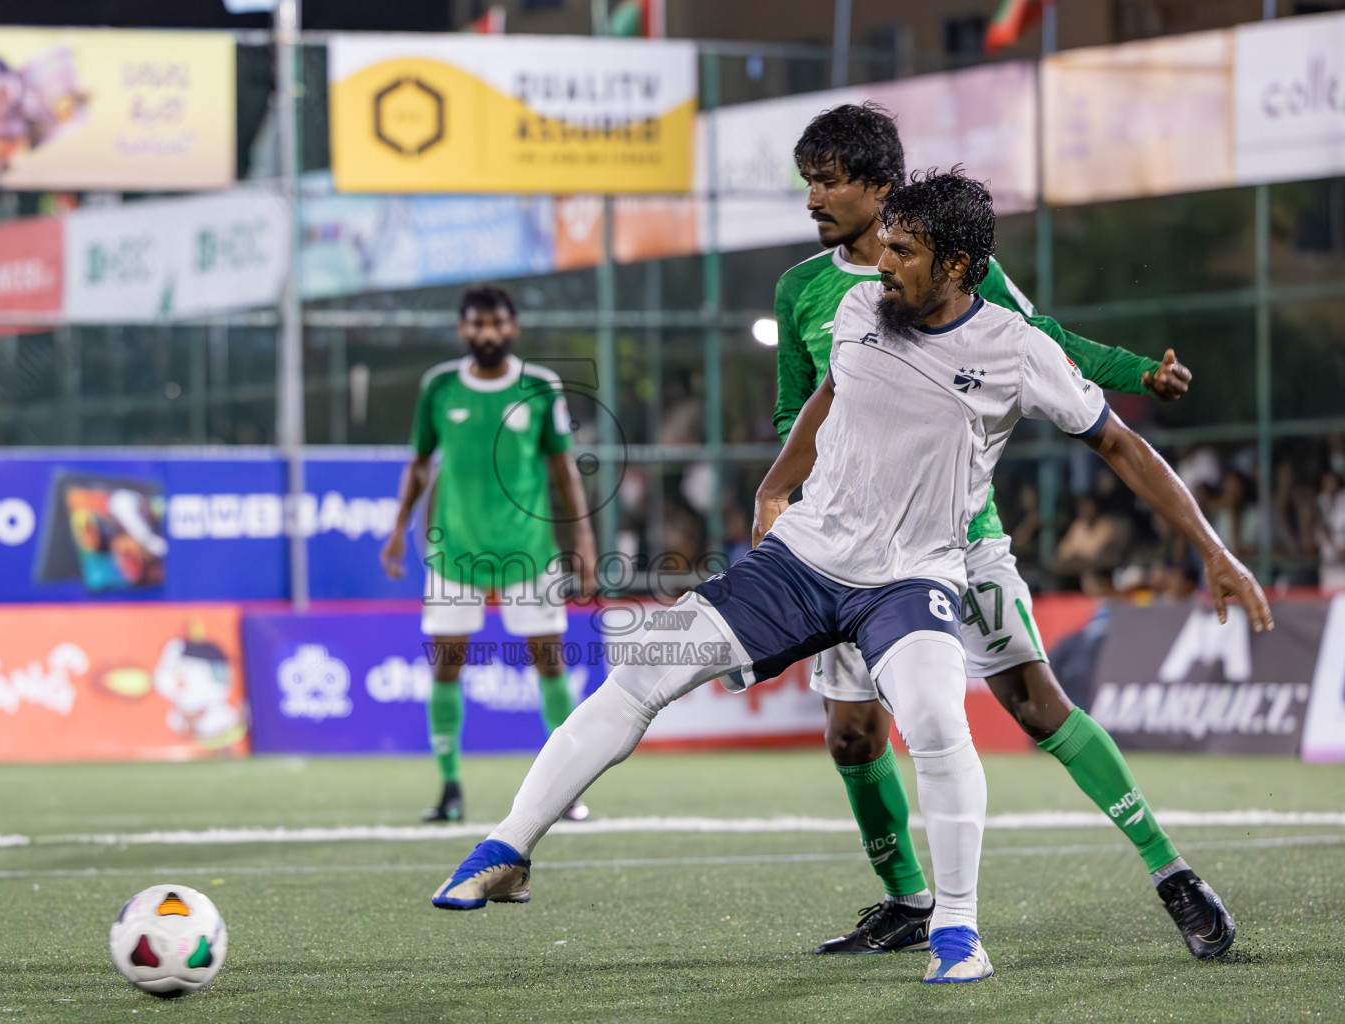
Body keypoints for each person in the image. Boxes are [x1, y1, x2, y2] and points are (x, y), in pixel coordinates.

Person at [428, 172, 1272, 986]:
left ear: (959, 268)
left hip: (912, 578)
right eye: (887, 244)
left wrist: (1214, 549)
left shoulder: (1017, 349)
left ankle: (960, 928)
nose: (884, 263)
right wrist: (772, 485)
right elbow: (829, 393)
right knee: (648, 666)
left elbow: (1120, 444)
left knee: (945, 720)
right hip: (803, 560)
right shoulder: (863, 303)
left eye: (904, 250)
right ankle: (507, 847)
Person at [774, 104, 1235, 962]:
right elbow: (803, 407)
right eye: (808, 180)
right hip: (841, 545)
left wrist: (1136, 372)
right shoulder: (803, 290)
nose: (815, 197)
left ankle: (1170, 871)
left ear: (884, 187)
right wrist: (783, 499)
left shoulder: (955, 273)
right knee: (851, 735)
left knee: (1031, 701)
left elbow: (1041, 343)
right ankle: (909, 900)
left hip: (956, 541)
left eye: (831, 179)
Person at [381, 286, 599, 824]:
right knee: (447, 667)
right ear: (462, 330)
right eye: (477, 325)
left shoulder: (540, 386)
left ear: (513, 328)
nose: (487, 334)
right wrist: (396, 530)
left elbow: (563, 470)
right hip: (454, 551)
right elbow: (418, 464)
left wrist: (585, 542)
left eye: (497, 324)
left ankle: (564, 790)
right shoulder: (439, 387)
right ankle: (449, 786)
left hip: (530, 550)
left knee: (550, 664)